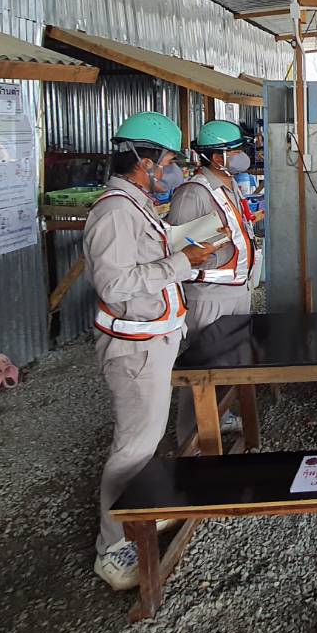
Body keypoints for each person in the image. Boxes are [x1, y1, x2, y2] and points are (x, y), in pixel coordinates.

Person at [83, 112, 217, 591]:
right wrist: (182, 262)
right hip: (134, 347)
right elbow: (115, 284)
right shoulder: (114, 213)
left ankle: (138, 513)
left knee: (145, 438)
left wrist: (179, 252)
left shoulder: (134, 204)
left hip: (152, 338)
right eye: (168, 161)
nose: (172, 169)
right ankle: (112, 546)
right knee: (132, 447)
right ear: (144, 161)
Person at [167, 119, 262, 446]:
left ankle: (219, 417)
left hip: (234, 289)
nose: (241, 155)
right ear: (217, 156)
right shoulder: (193, 194)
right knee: (202, 368)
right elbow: (181, 251)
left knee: (228, 360)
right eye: (234, 150)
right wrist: (210, 248)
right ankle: (190, 439)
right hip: (209, 293)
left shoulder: (227, 183)